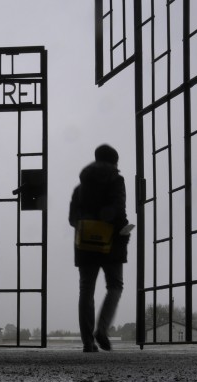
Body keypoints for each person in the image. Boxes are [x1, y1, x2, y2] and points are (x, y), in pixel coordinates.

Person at [68, 143, 131, 353]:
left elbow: (72, 219)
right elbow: (119, 211)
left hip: (85, 245)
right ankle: (101, 329)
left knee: (86, 290)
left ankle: (88, 342)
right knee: (115, 285)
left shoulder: (80, 187)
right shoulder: (116, 180)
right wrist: (123, 232)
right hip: (111, 242)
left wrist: (89, 225)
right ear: (114, 162)